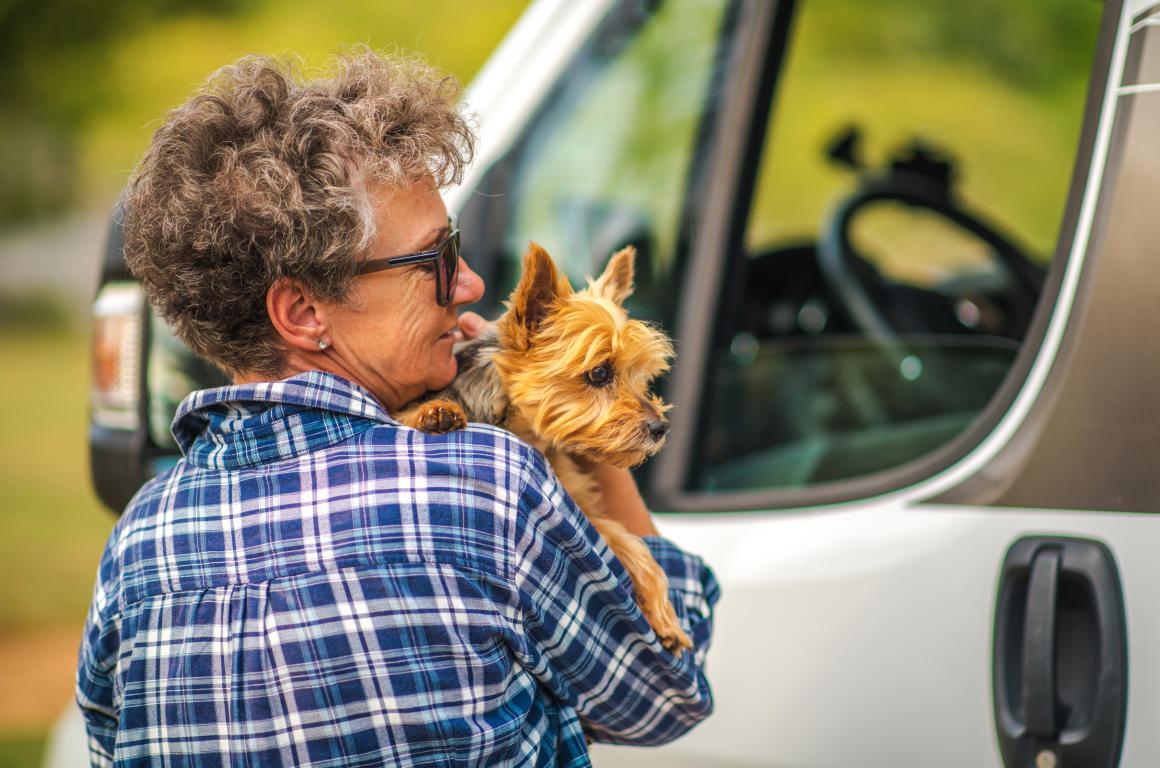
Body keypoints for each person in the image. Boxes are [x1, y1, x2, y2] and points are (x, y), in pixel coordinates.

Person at [77, 50, 718, 767]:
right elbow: (668, 694)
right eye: (435, 260)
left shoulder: (138, 550)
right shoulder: (490, 489)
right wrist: (586, 440)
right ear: (302, 311)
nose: (471, 284)